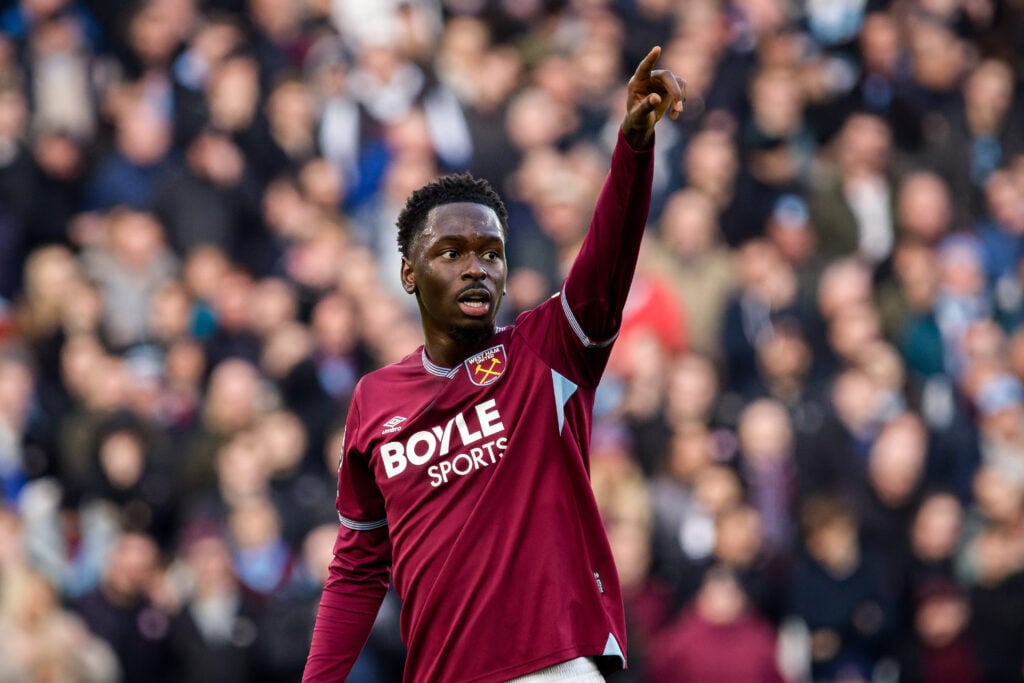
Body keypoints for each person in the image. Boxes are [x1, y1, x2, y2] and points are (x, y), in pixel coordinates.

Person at [302, 46, 686, 682]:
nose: (475, 266)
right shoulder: (374, 398)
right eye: (450, 252)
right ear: (407, 272)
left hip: (554, 667)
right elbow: (357, 567)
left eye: (490, 252)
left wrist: (634, 146)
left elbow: (608, 259)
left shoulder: (545, 352)